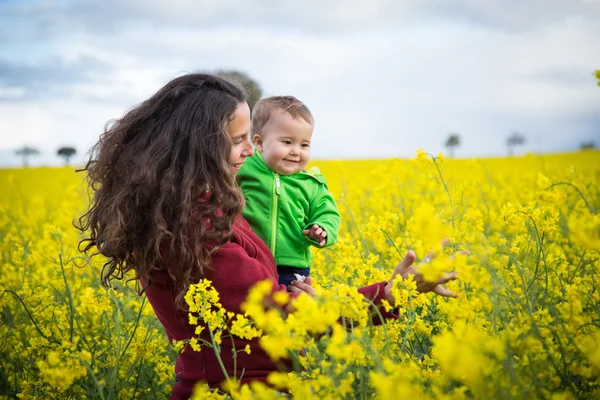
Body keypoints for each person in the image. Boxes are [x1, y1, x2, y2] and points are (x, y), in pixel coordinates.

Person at [77, 73, 459, 400]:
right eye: (239, 139)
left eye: (252, 138)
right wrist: (397, 291)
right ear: (200, 145)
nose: (250, 150)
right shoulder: (194, 227)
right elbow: (278, 313)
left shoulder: (205, 208)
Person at [237, 96, 340, 287]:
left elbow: (328, 212)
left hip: (292, 266)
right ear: (259, 143)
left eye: (304, 145)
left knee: (288, 311)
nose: (296, 151)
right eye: (287, 142)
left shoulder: (311, 183)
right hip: (249, 258)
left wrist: (322, 229)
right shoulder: (244, 167)